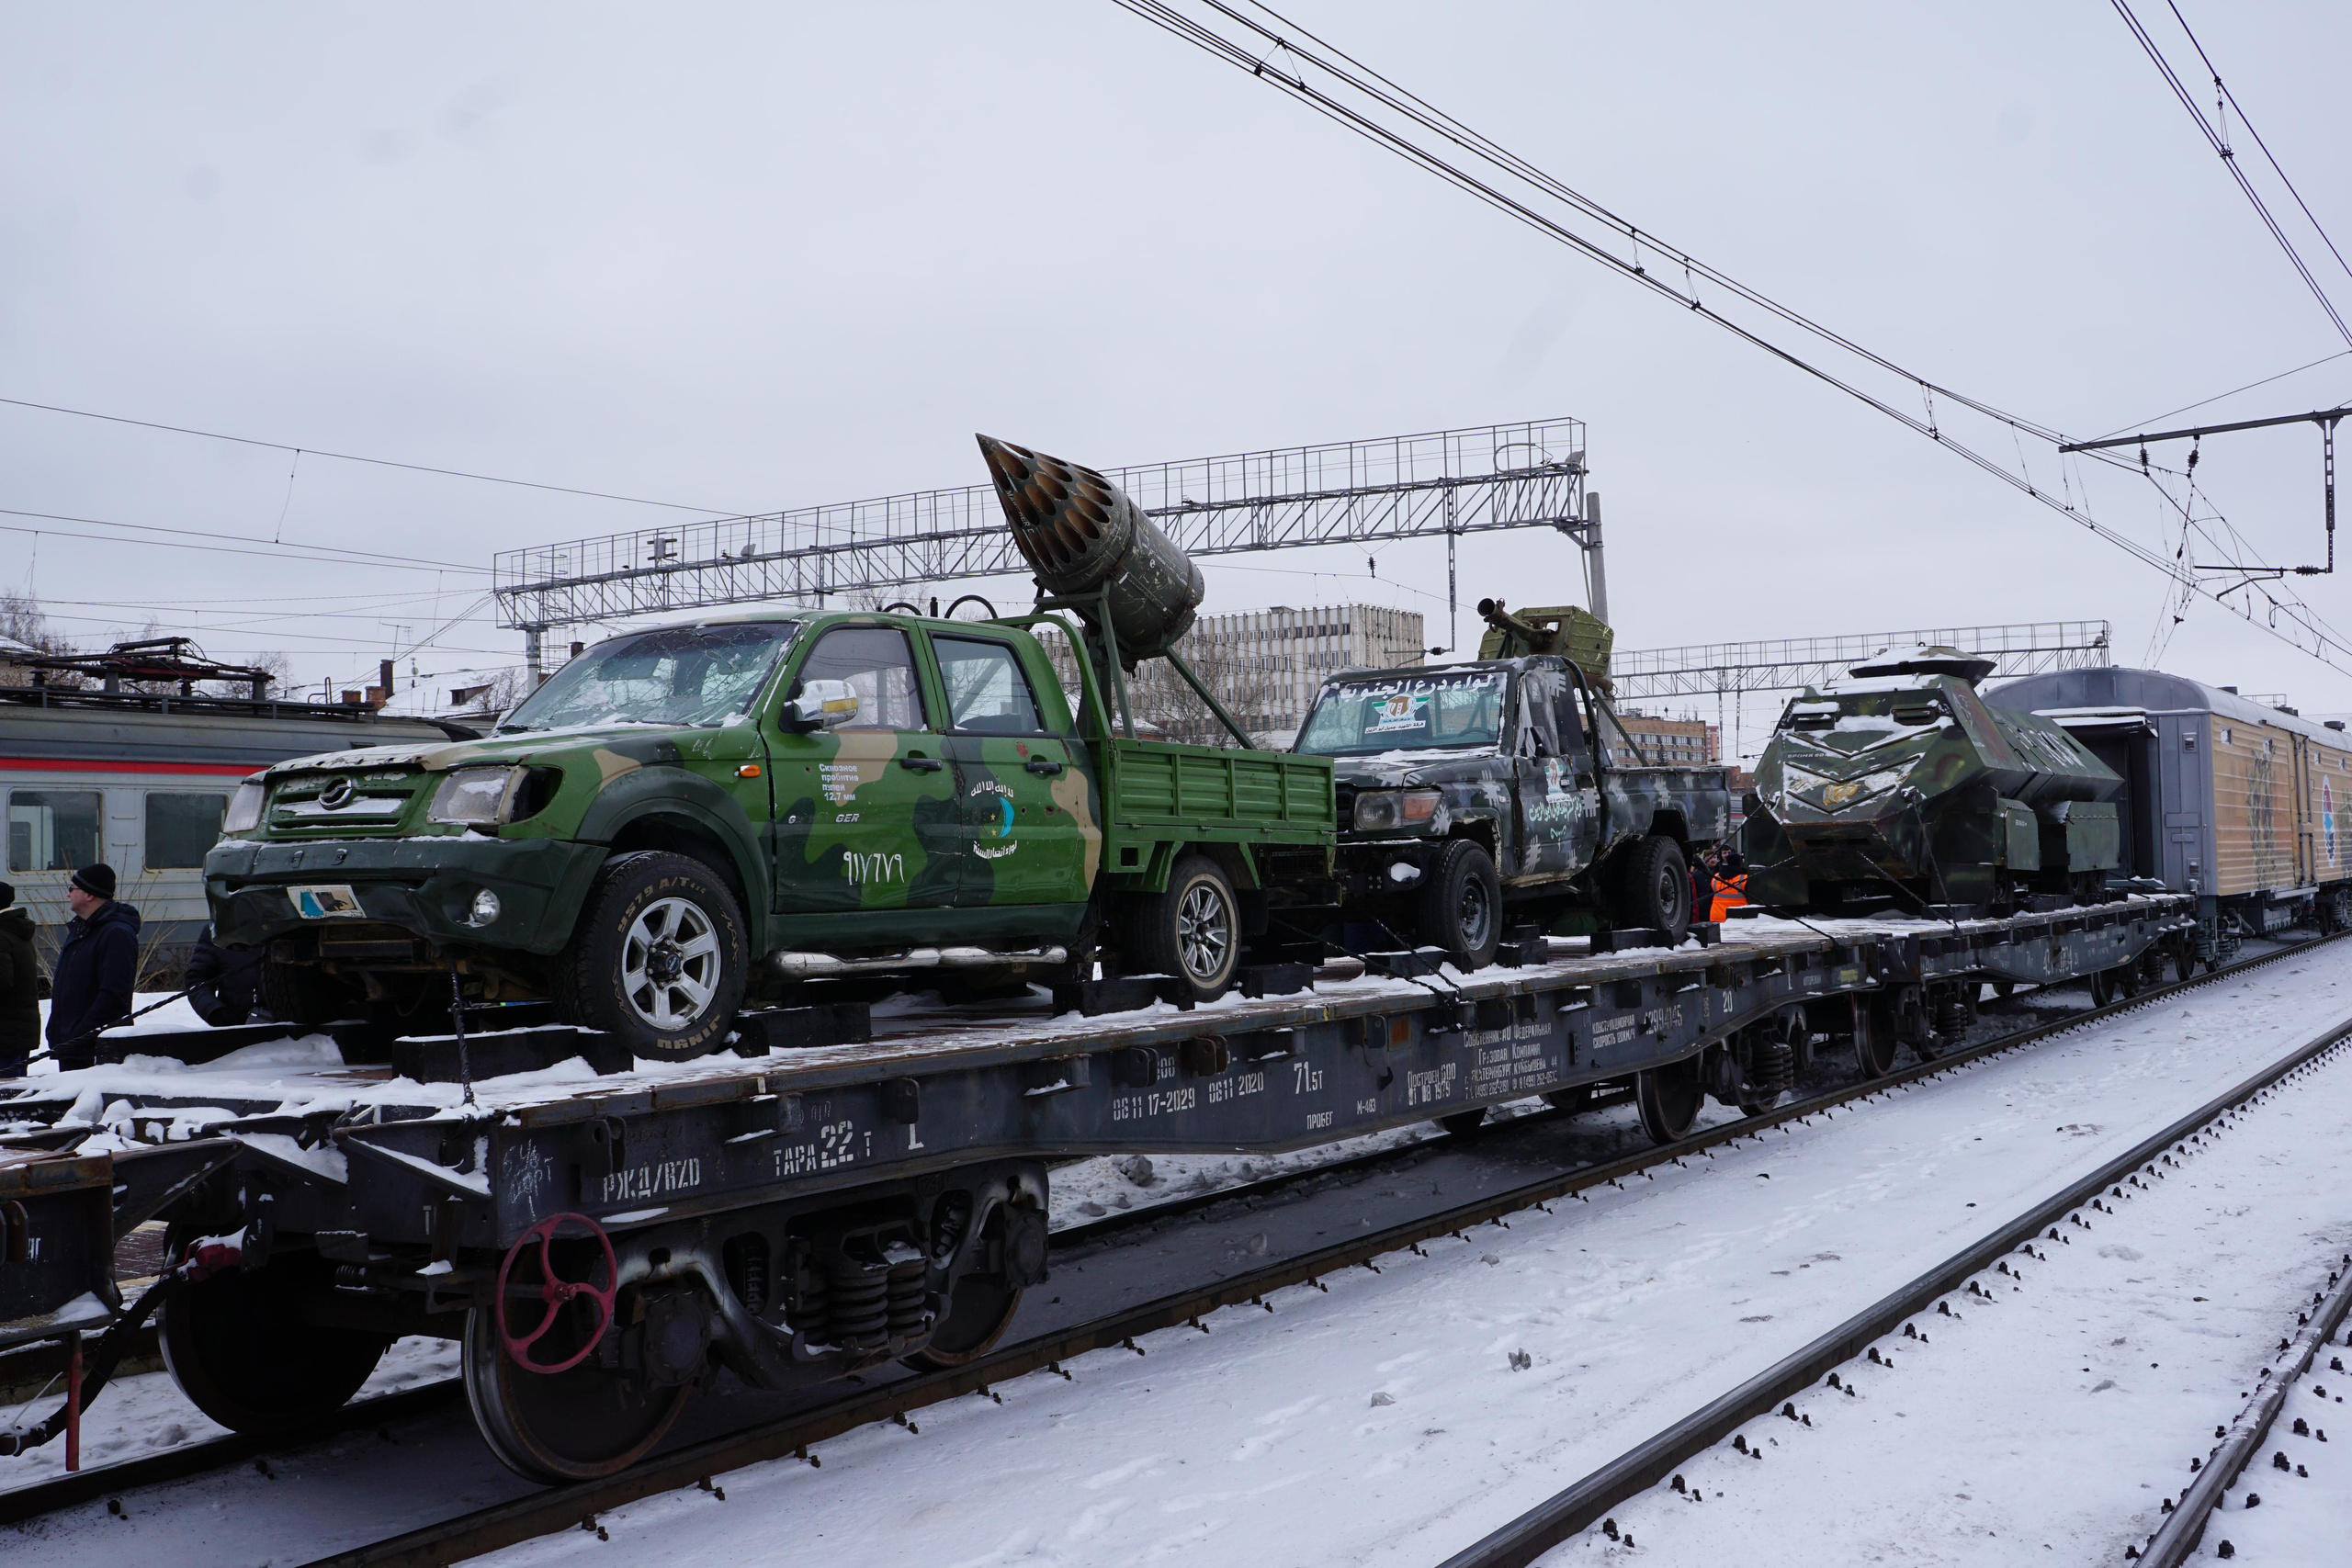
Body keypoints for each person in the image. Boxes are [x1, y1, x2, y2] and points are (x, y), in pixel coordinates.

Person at [45, 863, 141, 1071]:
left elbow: (113, 996)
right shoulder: (79, 930)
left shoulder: (116, 934)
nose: (68, 894)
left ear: (89, 895)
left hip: (96, 1049)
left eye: (72, 889)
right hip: (72, 1046)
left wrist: (81, 1032)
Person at [185, 924, 260, 1028]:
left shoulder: (286, 927)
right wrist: (215, 1011)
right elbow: (197, 981)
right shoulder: (218, 930)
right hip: (236, 1028)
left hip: (287, 1029)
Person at [0, 882, 37, 1078]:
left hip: (6, 1033)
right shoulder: (17, 930)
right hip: (18, 1030)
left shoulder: (2, 935)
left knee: (7, 1098)